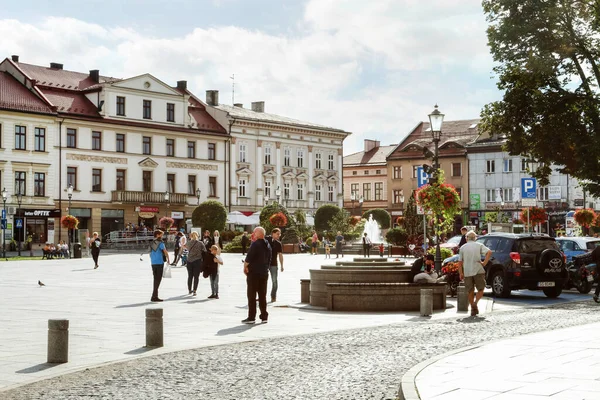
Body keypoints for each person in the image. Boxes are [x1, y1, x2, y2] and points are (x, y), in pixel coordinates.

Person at [457, 230, 492, 317]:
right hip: (478, 270)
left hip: (467, 271)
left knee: (470, 290)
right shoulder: (479, 245)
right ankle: (475, 303)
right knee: (481, 289)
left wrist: (461, 273)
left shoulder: (462, 248)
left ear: (466, 238)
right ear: (475, 238)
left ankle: (472, 306)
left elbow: (460, 262)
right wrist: (484, 263)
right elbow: (489, 252)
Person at [242, 227, 272, 324]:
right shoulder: (268, 245)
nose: (253, 234)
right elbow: (269, 259)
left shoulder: (255, 244)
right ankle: (264, 316)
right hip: (264, 273)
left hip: (254, 273)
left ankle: (251, 317)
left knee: (251, 295)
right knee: (262, 295)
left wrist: (245, 267)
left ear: (259, 233)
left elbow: (248, 258)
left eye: (254, 232)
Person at [149, 230, 170, 302]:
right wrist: (168, 259)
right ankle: (154, 296)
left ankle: (154, 295)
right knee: (158, 279)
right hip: (159, 262)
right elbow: (165, 251)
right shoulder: (160, 243)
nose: (162, 236)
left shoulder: (152, 242)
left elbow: (149, 252)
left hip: (153, 262)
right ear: (157, 235)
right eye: (161, 234)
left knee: (155, 279)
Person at [184, 231, 205, 296]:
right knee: (196, 277)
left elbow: (185, 247)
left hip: (189, 261)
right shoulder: (200, 243)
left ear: (191, 236)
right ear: (197, 236)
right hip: (197, 261)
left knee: (190, 276)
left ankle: (189, 290)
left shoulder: (189, 243)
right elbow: (205, 250)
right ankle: (195, 290)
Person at [266, 228, 284, 303]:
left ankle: (273, 296)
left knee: (274, 281)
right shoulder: (266, 240)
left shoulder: (278, 243)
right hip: (265, 264)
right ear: (273, 233)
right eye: (277, 234)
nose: (279, 235)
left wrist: (282, 265)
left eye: (279, 234)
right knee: (262, 281)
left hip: (274, 264)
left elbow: (280, 255)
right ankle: (261, 295)